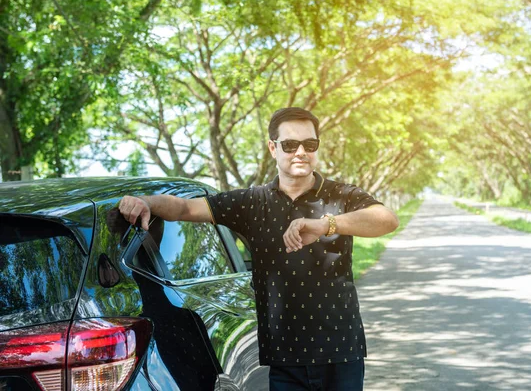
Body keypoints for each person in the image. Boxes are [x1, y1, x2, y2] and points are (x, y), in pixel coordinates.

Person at [118, 107, 399, 391]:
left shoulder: (341, 194)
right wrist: (147, 202)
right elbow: (185, 207)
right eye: (290, 145)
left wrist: (326, 224)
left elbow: (386, 219)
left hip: (341, 353)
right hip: (283, 361)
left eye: (309, 144)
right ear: (272, 147)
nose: (300, 151)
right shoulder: (251, 202)